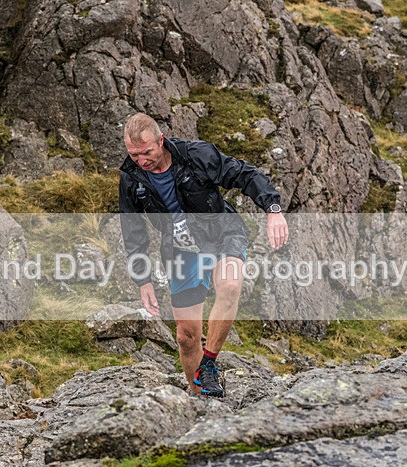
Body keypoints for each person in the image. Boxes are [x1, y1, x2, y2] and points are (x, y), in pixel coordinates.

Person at [119, 113, 288, 397]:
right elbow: (132, 229)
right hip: (180, 250)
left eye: (147, 152)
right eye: (134, 154)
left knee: (230, 285)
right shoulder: (131, 178)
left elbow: (246, 174)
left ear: (161, 141)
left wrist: (273, 210)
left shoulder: (196, 155)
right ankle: (200, 399)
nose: (142, 160)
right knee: (186, 337)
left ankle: (208, 365)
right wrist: (142, 280)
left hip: (221, 234)